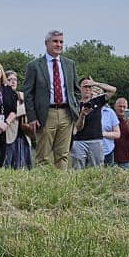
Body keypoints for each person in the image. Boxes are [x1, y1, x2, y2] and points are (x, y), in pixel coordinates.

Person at [20, 31, 81, 169]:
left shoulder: (69, 64)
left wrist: (75, 107)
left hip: (67, 113)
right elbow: (28, 93)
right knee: (43, 155)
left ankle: (61, 187)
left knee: (63, 155)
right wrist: (32, 116)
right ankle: (43, 185)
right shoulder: (34, 65)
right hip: (45, 114)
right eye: (55, 41)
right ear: (46, 43)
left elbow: (76, 90)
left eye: (61, 42)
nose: (58, 44)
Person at [71, 78, 116, 167]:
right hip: (79, 141)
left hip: (96, 140)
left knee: (96, 169)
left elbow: (113, 90)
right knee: (77, 169)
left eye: (89, 87)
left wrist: (95, 83)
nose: (87, 89)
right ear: (80, 88)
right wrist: (82, 115)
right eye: (84, 86)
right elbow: (78, 128)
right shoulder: (74, 104)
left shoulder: (98, 101)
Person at [109, 99, 129, 166]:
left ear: (127, 108)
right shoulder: (109, 118)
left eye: (124, 107)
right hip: (110, 157)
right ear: (115, 107)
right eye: (120, 106)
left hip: (126, 158)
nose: (122, 109)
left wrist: (128, 124)